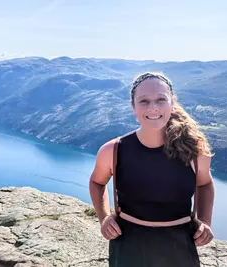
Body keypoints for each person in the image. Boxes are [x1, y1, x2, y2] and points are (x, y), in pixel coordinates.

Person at [89, 72, 215, 267]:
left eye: (161, 99)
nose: (153, 107)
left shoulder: (195, 152)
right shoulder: (113, 150)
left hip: (179, 248)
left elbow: (205, 184)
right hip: (127, 247)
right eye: (144, 101)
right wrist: (104, 217)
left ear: (172, 104)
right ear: (133, 107)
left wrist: (205, 221)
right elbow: (97, 183)